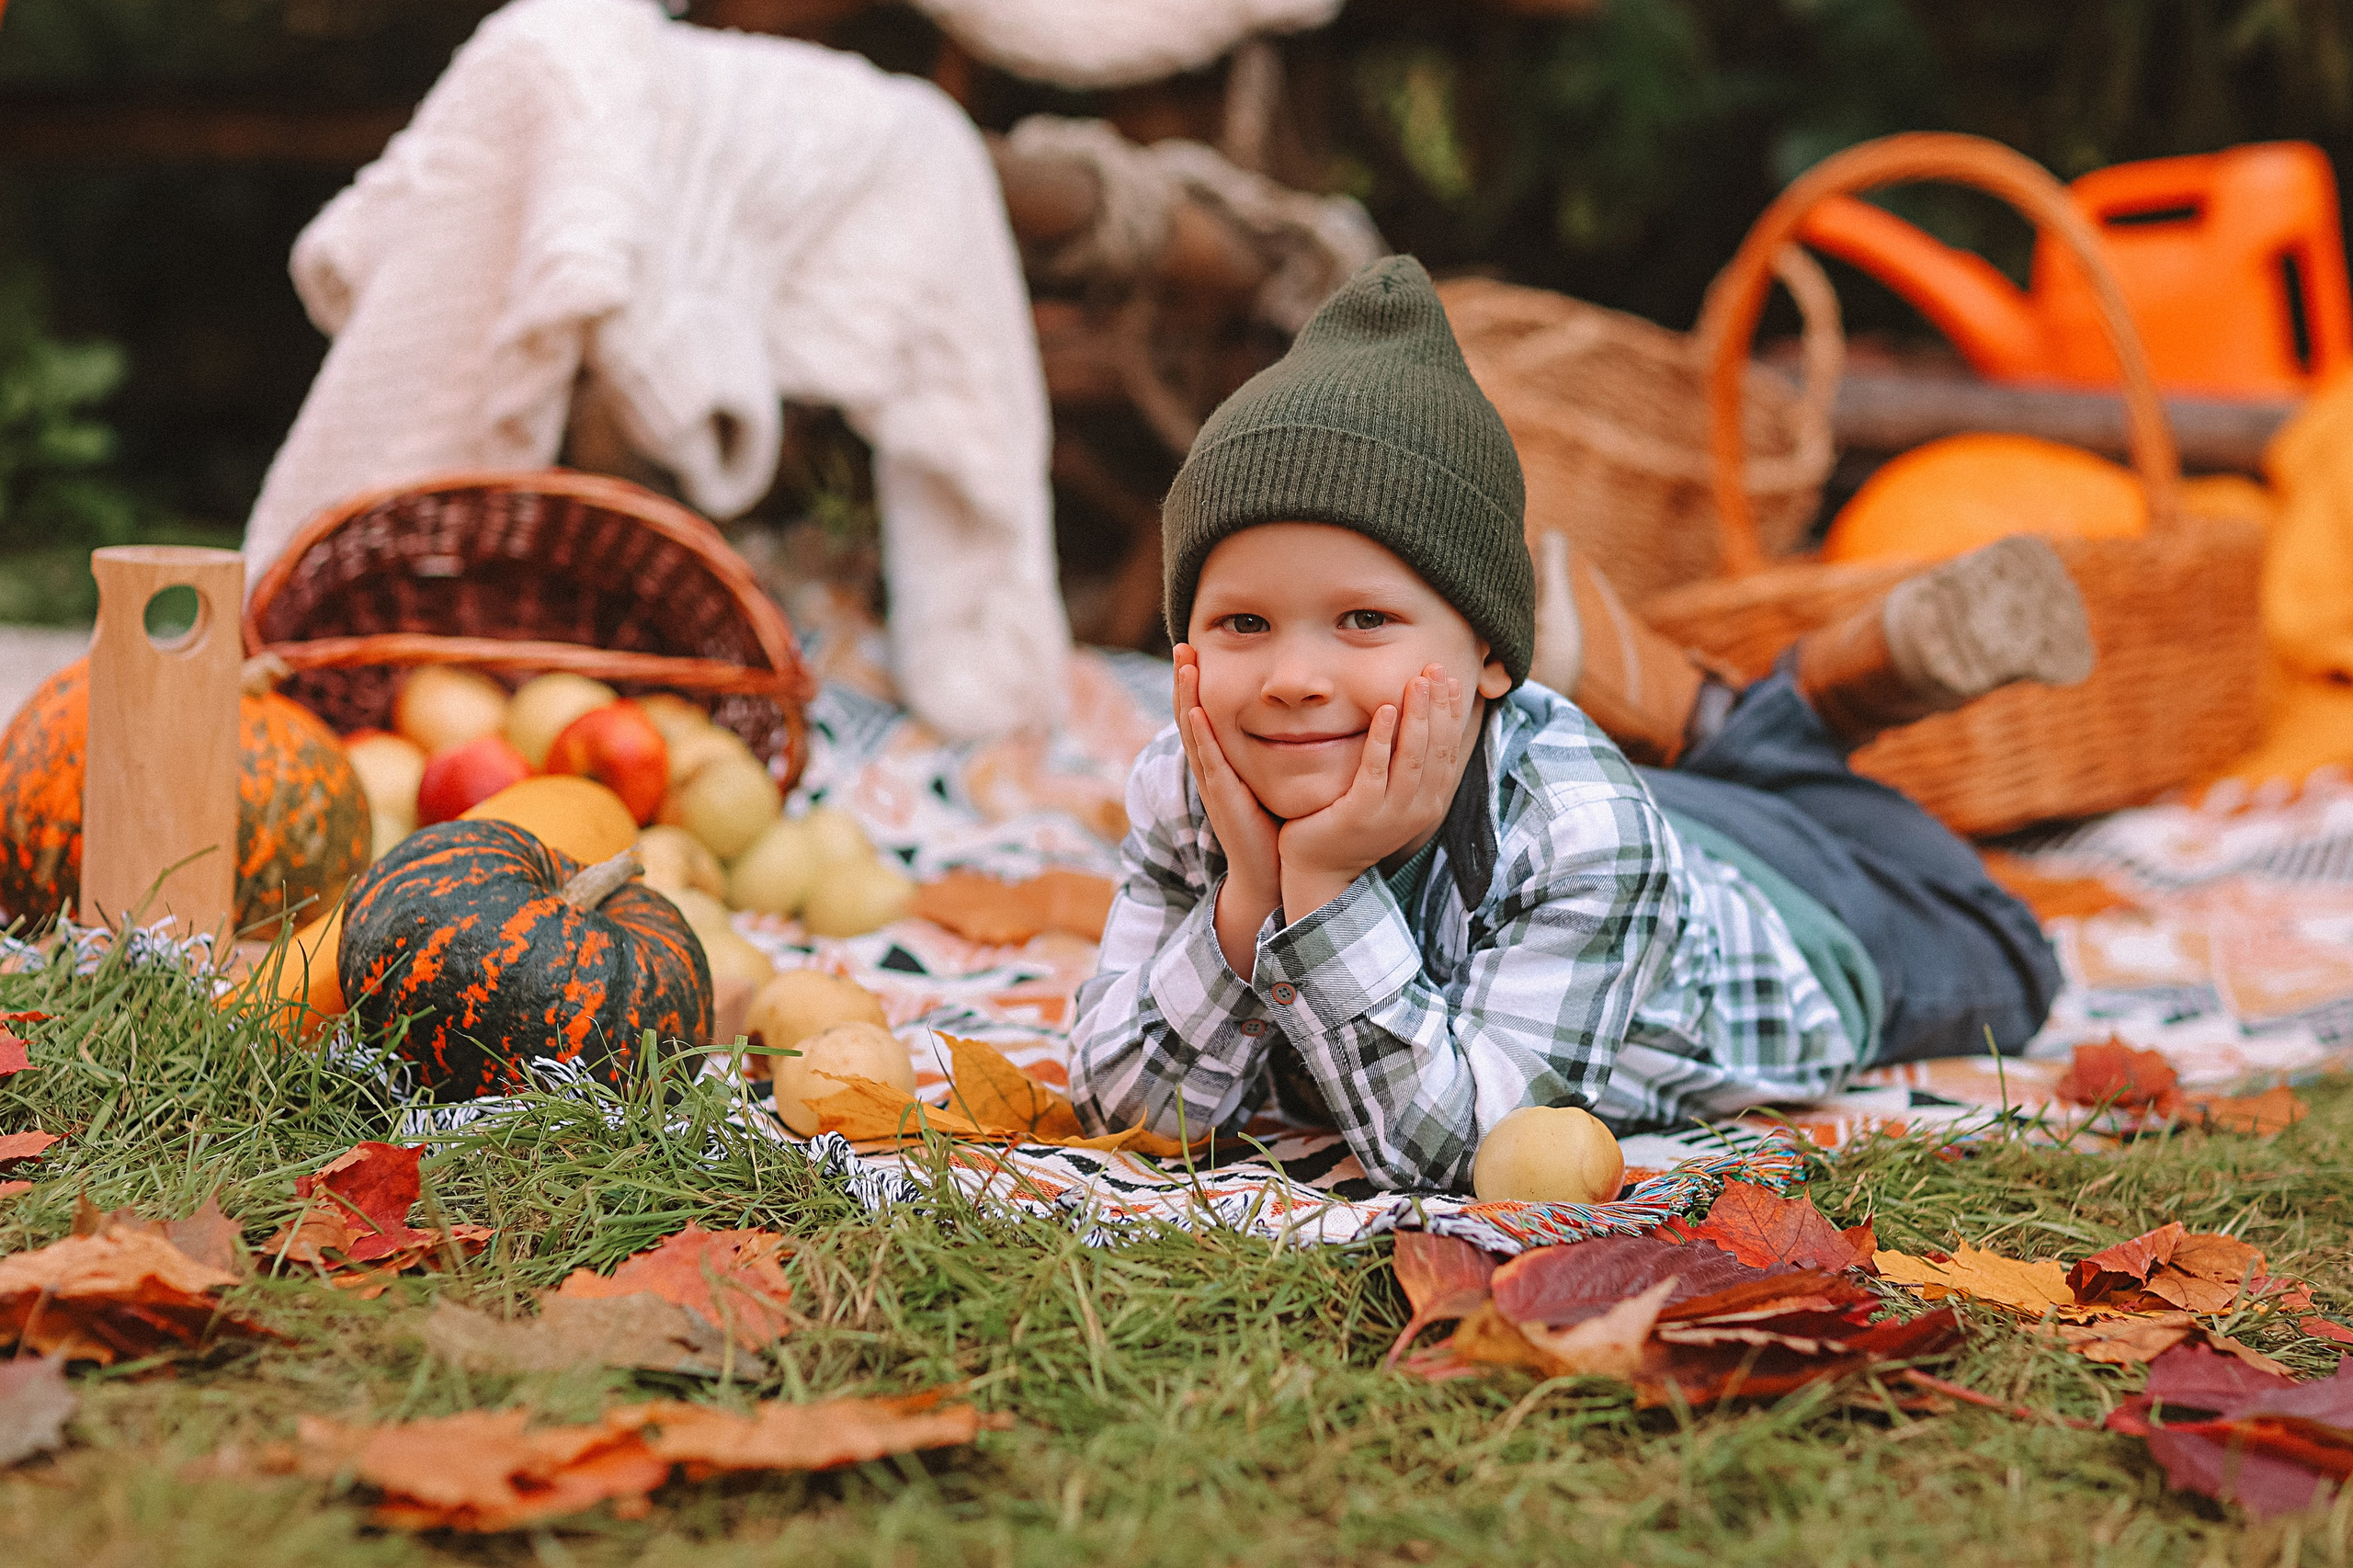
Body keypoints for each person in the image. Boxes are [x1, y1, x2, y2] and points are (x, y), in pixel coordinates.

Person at [1067, 255, 2077, 1192]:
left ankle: (1783, 720)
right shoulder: (1188, 782)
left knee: (2016, 962)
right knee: (1676, 782)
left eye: (1363, 620)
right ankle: (1738, 721)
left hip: (1817, 922)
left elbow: (1466, 1153)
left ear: (1490, 654)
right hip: (1643, 806)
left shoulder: (1582, 828)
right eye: (1242, 624)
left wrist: (1322, 886)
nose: (1291, 680)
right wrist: (1247, 903)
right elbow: (1128, 1109)